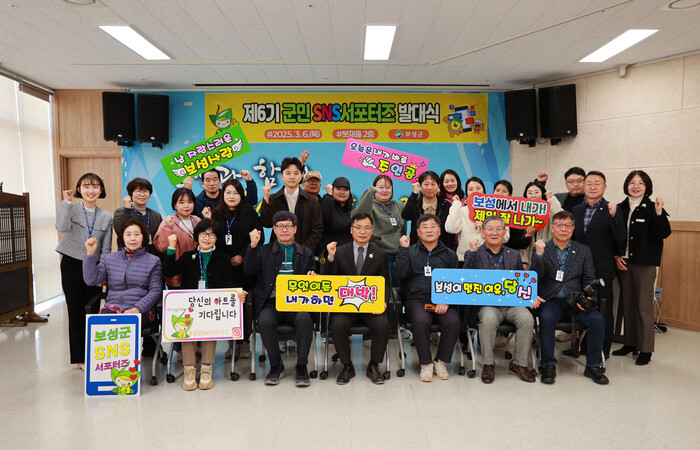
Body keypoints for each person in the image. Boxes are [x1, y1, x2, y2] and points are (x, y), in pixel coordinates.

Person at [530, 211, 609, 385]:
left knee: (597, 320)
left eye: (567, 225)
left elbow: (589, 279)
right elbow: (535, 276)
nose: (563, 229)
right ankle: (548, 364)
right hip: (551, 300)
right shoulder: (542, 248)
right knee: (546, 318)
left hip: (576, 300)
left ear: (573, 228)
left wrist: (589, 300)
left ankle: (594, 366)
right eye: (559, 225)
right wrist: (539, 255)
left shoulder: (583, 250)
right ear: (552, 228)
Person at [163, 219, 238, 391]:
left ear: (217, 238)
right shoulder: (188, 256)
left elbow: (228, 282)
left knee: (209, 333)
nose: (206, 238)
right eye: (203, 234)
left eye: (211, 235)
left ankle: (206, 370)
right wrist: (171, 248)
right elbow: (168, 271)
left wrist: (235, 295)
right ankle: (189, 370)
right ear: (197, 236)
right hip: (189, 304)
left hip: (212, 305)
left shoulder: (223, 258)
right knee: (185, 331)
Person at [244, 211, 317, 387]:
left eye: (288, 226)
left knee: (305, 319)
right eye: (280, 226)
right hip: (271, 303)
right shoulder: (263, 251)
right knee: (265, 321)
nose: (284, 230)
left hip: (296, 303)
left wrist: (313, 276)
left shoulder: (306, 253)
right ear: (274, 229)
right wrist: (253, 246)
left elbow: (314, 277)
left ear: (295, 229)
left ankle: (301, 366)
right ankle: (276, 365)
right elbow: (249, 272)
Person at [463, 215, 535, 384]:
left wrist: (531, 296)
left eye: (498, 229)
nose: (494, 233)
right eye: (490, 229)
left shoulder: (514, 254)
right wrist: (472, 253)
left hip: (511, 304)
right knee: (488, 319)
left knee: (527, 319)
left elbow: (522, 282)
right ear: (482, 232)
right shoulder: (474, 252)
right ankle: (488, 364)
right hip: (487, 305)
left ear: (504, 232)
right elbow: (464, 278)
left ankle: (519, 364)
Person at [322, 213, 391, 385]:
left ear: (372, 231)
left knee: (383, 324)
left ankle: (373, 365)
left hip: (370, 306)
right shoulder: (339, 251)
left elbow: (385, 283)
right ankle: (347, 366)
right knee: (338, 325)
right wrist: (330, 258)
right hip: (345, 306)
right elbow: (328, 280)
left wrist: (383, 301)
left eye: (367, 228)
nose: (362, 232)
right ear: (351, 230)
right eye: (358, 228)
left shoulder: (380, 254)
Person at [612, 170, 671, 365]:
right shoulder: (619, 208)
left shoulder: (653, 207)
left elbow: (664, 233)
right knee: (628, 304)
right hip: (624, 262)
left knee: (643, 306)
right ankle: (630, 343)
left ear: (647, 187)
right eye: (632, 182)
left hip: (645, 264)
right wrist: (616, 256)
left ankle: (645, 349)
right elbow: (613, 235)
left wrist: (659, 212)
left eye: (640, 183)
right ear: (626, 185)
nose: (635, 186)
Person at [393, 214, 460, 382]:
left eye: (432, 226)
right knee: (421, 320)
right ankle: (426, 364)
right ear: (418, 232)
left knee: (453, 321)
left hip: (443, 299)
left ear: (439, 230)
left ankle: (441, 361)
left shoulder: (450, 254)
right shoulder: (410, 251)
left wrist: (446, 299)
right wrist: (403, 250)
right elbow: (399, 273)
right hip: (416, 299)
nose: (429, 230)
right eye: (425, 227)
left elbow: (455, 282)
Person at [55, 173, 112, 369]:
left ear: (101, 190)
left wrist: (103, 272)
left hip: (94, 266)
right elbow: (61, 227)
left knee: (92, 310)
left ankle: (93, 354)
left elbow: (106, 247)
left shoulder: (106, 216)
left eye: (95, 186)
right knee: (75, 310)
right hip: (71, 264)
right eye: (86, 186)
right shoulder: (71, 208)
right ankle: (80, 358)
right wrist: (66, 202)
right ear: (79, 189)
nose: (91, 191)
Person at [572, 170, 625, 356]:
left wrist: (615, 217)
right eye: (589, 183)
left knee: (604, 309)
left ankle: (603, 350)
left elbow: (620, 237)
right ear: (584, 186)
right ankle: (581, 347)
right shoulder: (577, 210)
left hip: (602, 268)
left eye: (597, 183)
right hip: (579, 268)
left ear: (604, 187)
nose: (592, 187)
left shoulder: (612, 209)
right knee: (581, 306)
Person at [212, 178, 264, 359]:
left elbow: (259, 237)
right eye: (228, 192)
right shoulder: (216, 214)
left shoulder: (249, 212)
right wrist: (226, 259)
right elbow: (211, 239)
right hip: (223, 267)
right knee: (228, 304)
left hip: (246, 266)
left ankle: (245, 341)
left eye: (236, 193)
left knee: (245, 304)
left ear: (241, 195)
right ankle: (231, 342)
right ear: (223, 195)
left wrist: (243, 255)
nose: (232, 196)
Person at [83, 219, 162, 328]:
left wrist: (137, 309)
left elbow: (155, 291)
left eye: (137, 234)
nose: (133, 238)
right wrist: (90, 254)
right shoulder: (110, 258)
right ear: (122, 237)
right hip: (112, 307)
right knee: (104, 326)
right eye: (128, 234)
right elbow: (91, 280)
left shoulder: (153, 261)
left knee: (126, 325)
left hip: (142, 309)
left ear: (143, 237)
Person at [260, 157, 323, 253]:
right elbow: (266, 223)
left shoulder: (312, 201)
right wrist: (266, 199)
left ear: (301, 176)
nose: (292, 177)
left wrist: (304, 250)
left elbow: (317, 229)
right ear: (282, 176)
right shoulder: (274, 199)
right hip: (278, 252)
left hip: (304, 252)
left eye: (296, 173)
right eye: (288, 173)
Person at [352, 175, 407, 286]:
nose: (384, 190)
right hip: (379, 255)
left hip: (399, 255)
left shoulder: (399, 205)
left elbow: (415, 209)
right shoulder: (370, 206)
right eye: (380, 187)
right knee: (382, 288)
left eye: (388, 187)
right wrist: (370, 191)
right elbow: (359, 215)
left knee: (398, 289)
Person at [445, 176, 510, 262]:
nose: (475, 191)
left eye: (478, 188)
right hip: (464, 259)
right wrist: (456, 204)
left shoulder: (496, 212)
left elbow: (505, 238)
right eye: (471, 189)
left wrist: (486, 228)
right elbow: (451, 229)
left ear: (484, 191)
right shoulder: (462, 210)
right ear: (467, 193)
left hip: (489, 259)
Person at [153, 188, 202, 289]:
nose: (186, 206)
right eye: (181, 202)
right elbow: (163, 248)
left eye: (190, 202)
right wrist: (169, 228)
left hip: (196, 274)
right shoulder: (168, 222)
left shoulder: (198, 221)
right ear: (175, 205)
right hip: (176, 276)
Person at [402, 170, 455, 250]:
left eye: (433, 184)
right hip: (417, 249)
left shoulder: (445, 205)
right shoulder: (415, 202)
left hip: (440, 250)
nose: (429, 188)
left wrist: (447, 251)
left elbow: (449, 233)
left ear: (438, 186)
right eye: (426, 184)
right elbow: (405, 216)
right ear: (420, 186)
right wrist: (414, 194)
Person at [112, 177, 163, 257]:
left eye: (145, 191)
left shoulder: (156, 216)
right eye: (138, 191)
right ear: (131, 194)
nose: (142, 194)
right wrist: (127, 209)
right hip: (128, 258)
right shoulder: (121, 212)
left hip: (151, 258)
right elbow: (119, 231)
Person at [519, 181, 563, 268]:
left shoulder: (550, 211)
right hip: (528, 261)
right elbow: (520, 241)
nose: (533, 195)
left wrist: (551, 199)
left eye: (536, 192)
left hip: (548, 258)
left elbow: (562, 218)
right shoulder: (521, 214)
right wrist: (523, 260)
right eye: (529, 193)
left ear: (542, 194)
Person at [187, 168, 258, 218]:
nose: (211, 183)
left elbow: (251, 201)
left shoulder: (229, 197)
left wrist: (249, 181)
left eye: (215, 180)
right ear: (202, 184)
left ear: (220, 182)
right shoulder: (197, 202)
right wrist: (188, 191)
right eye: (208, 180)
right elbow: (187, 217)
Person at [319, 177, 355, 256]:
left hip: (349, 254)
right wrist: (329, 195)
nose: (342, 192)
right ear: (333, 190)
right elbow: (326, 218)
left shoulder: (353, 210)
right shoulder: (326, 205)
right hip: (329, 253)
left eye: (346, 189)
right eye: (339, 189)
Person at [493, 180, 530, 252]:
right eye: (497, 190)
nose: (500, 194)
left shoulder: (515, 214)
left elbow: (519, 243)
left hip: (508, 254)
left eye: (504, 191)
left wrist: (527, 236)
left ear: (510, 196)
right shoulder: (485, 211)